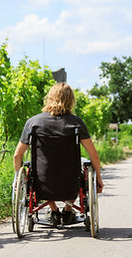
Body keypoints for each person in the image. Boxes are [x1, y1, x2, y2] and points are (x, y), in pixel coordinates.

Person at [13, 82, 104, 226]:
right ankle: (68, 211)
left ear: (49, 97)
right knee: (82, 166)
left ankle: (54, 211)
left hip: (42, 183)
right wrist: (98, 177)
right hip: (71, 183)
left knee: (37, 171)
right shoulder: (76, 123)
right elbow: (94, 155)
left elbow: (17, 155)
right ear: (71, 100)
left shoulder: (33, 123)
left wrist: (18, 180)